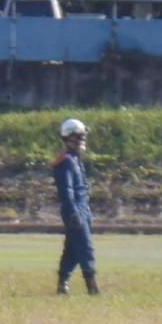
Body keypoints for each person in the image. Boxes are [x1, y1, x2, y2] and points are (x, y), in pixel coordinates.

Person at [54, 117, 98, 295]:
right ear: (68, 138)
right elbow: (67, 191)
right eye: (77, 137)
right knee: (85, 246)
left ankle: (62, 283)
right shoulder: (65, 161)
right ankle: (92, 287)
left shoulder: (75, 159)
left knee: (72, 248)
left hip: (81, 207)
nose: (81, 140)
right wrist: (74, 213)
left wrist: (85, 210)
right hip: (73, 208)